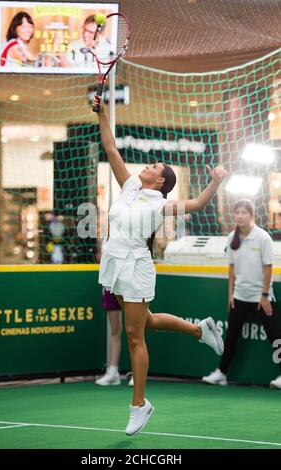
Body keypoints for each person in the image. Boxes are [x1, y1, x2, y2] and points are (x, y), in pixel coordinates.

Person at [93, 94, 226, 436]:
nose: (148, 166)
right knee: (146, 323)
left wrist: (216, 180)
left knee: (136, 336)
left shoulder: (159, 204)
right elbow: (111, 150)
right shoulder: (130, 187)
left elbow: (196, 204)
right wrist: (102, 115)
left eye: (155, 167)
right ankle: (201, 330)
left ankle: (139, 405)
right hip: (114, 262)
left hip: (135, 266)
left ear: (160, 181)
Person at [202, 199, 281, 389]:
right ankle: (221, 373)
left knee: (276, 336)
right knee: (231, 337)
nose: (239, 216)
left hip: (261, 298)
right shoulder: (231, 238)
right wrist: (231, 293)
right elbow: (231, 268)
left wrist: (264, 295)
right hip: (239, 297)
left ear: (252, 215)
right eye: (237, 212)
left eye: (244, 212)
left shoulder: (263, 237)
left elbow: (268, 268)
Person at [95, 288, 134, 386]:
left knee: (134, 332)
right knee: (115, 330)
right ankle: (113, 373)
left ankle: (137, 374)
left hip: (130, 284)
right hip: (110, 284)